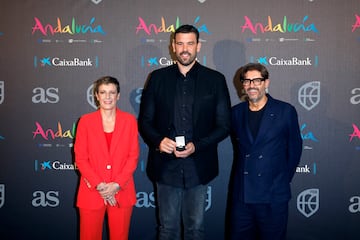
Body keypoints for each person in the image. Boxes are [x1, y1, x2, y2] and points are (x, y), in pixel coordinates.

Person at [138, 24, 231, 240]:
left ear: (198, 46)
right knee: (167, 229)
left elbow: (224, 125)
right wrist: (158, 141)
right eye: (180, 43)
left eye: (190, 43)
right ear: (173, 46)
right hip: (165, 166)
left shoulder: (215, 80)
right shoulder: (158, 78)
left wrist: (197, 146)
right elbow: (145, 121)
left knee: (195, 229)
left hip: (198, 166)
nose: (185, 48)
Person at [229, 63, 303, 240]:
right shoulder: (236, 113)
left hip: (273, 195)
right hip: (243, 196)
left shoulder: (285, 111)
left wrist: (281, 180)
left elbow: (294, 150)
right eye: (247, 81)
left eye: (257, 80)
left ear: (266, 82)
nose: (251, 85)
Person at [74, 76, 139, 240]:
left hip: (121, 192)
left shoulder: (129, 121)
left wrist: (116, 184)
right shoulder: (85, 121)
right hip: (92, 192)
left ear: (118, 96)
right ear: (96, 95)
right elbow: (81, 158)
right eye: (103, 92)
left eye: (112, 92)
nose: (107, 97)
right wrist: (100, 185)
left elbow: (133, 157)